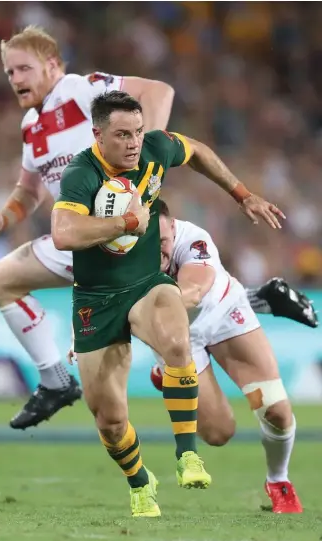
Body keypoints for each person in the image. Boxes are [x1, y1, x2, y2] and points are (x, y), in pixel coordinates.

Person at [51, 90, 285, 517]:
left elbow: (197, 152)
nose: (133, 142)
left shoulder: (156, 148)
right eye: (122, 135)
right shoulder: (81, 174)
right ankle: (140, 481)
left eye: (137, 132)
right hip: (96, 300)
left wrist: (242, 194)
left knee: (176, 338)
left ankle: (186, 454)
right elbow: (64, 234)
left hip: (145, 283)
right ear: (97, 135)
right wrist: (126, 222)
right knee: (110, 419)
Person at [0, 26, 176, 430]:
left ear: (52, 65)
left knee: (169, 338)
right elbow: (28, 191)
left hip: (116, 236)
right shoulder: (31, 124)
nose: (15, 80)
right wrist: (3, 217)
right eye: (9, 73)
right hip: (75, 239)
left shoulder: (81, 89)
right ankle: (54, 381)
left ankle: (241, 305)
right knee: (1, 280)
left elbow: (159, 92)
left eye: (23, 69)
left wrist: (140, 168)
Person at [149, 199, 307, 513]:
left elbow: (193, 291)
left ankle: (278, 481)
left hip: (224, 315)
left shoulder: (194, 240)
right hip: (180, 338)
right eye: (147, 244)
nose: (157, 251)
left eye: (163, 242)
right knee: (219, 433)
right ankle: (166, 373)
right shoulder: (118, 251)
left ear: (173, 227)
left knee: (275, 410)